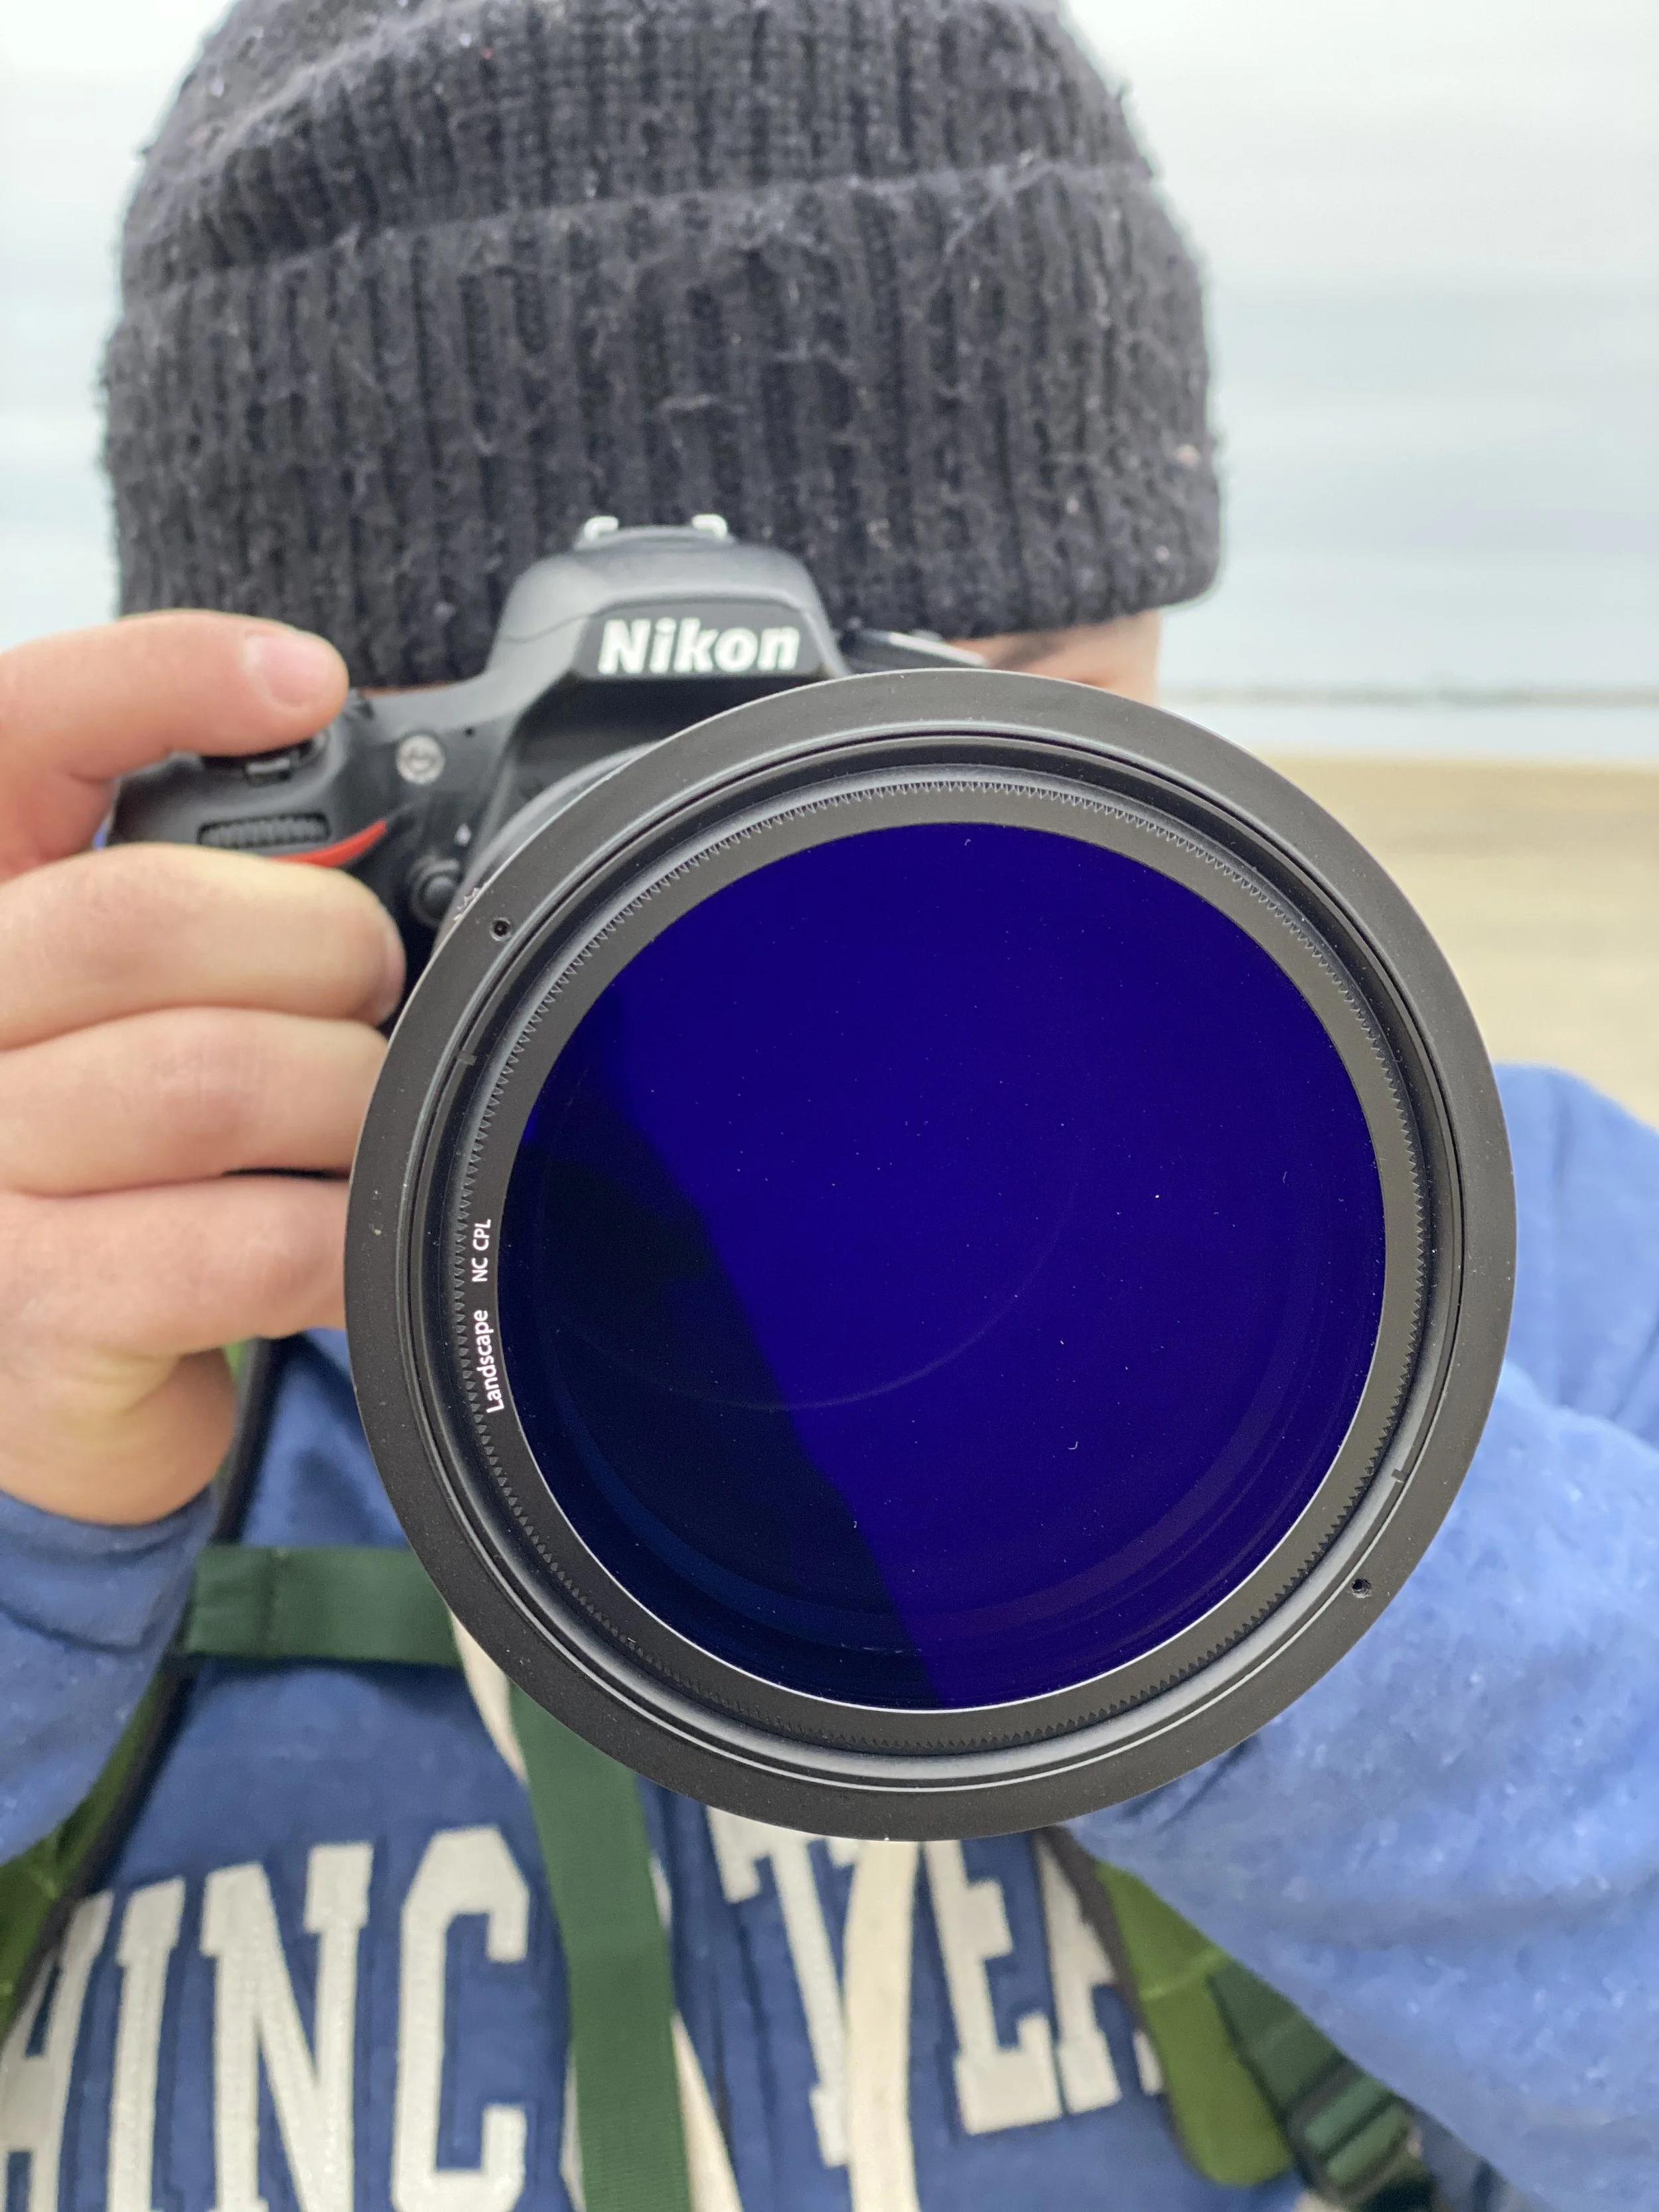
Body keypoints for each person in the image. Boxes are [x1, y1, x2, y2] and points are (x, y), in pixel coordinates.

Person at [1, 0, 1656, 2205]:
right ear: (277, 785)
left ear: (1129, 670)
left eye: (944, 733)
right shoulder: (83, 1296)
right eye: (597, 817)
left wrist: (1206, 1459)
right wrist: (28, 1528)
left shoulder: (1485, 1230)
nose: (788, 957)